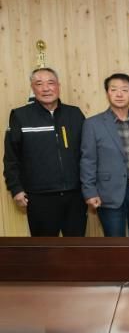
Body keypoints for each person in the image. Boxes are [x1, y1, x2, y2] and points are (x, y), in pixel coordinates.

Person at [3, 67, 87, 236]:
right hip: (39, 197)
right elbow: (11, 158)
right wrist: (16, 188)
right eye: (39, 84)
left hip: (75, 195)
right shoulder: (20, 116)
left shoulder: (75, 114)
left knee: (76, 246)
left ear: (58, 86)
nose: (46, 88)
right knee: (44, 248)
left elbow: (88, 153)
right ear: (32, 88)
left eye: (51, 83)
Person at [80, 73, 129, 237]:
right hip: (109, 192)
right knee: (115, 242)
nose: (119, 94)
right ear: (107, 93)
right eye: (114, 89)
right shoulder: (92, 124)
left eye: (124, 90)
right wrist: (90, 191)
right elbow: (88, 161)